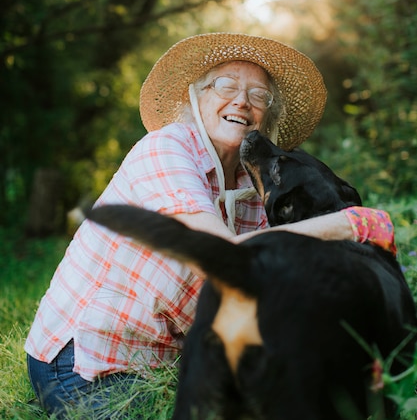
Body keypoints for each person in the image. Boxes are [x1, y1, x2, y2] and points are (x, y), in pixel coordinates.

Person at [25, 33, 396, 418]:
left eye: (258, 96)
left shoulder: (255, 187)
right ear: (196, 98)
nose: (241, 101)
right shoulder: (165, 150)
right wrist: (347, 225)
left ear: (267, 115)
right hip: (86, 363)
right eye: (226, 86)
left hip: (178, 362)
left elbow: (280, 283)